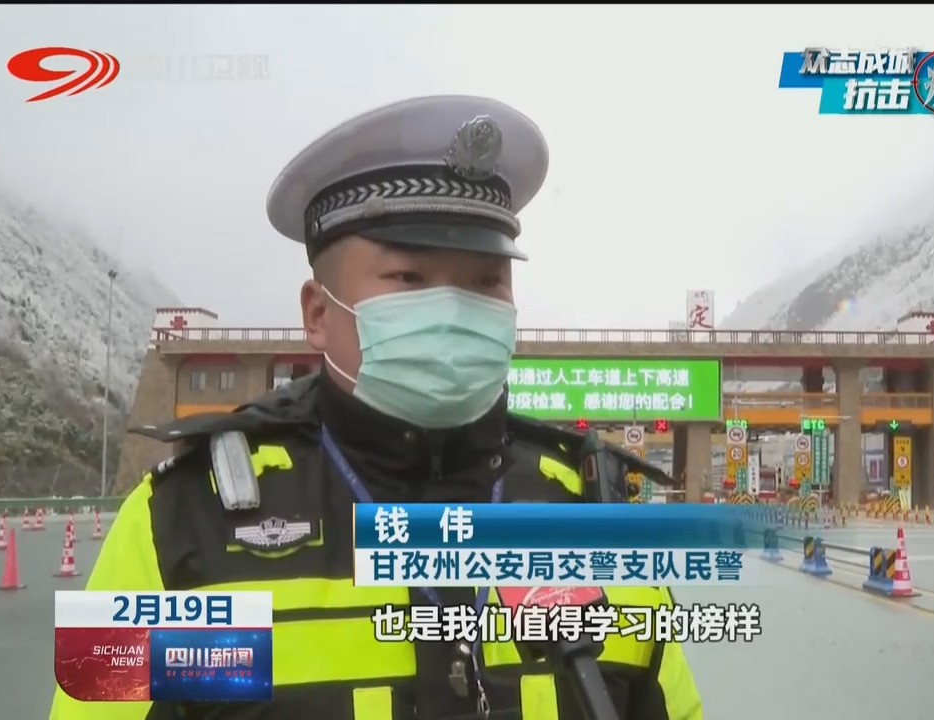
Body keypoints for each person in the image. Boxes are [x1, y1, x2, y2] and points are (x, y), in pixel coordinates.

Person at [49, 95, 702, 720]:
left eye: (486, 282)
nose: (456, 311)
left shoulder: (591, 520)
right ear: (317, 313)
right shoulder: (181, 524)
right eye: (409, 279)